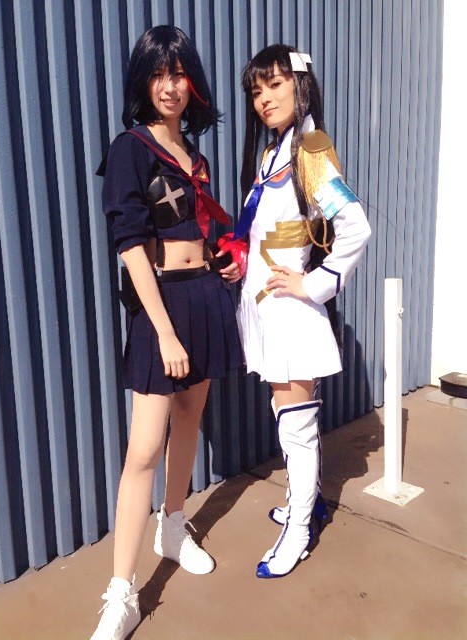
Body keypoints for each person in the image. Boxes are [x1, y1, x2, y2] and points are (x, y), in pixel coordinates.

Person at [92, 25, 243, 639]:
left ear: (192, 82)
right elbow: (130, 244)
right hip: (162, 306)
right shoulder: (130, 148)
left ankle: (173, 527)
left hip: (204, 295)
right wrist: (164, 333)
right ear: (143, 80)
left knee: (189, 418)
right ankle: (121, 592)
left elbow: (201, 229)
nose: (170, 85)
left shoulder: (193, 156)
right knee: (142, 451)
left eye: (178, 73)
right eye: (158, 73)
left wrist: (227, 259)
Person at [235, 44, 371, 579]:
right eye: (256, 90)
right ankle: (304, 501)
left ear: (300, 84)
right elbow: (271, 227)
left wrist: (314, 284)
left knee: (296, 425)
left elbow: (355, 228)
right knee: (287, 414)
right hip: (266, 305)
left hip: (291, 309)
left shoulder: (310, 149)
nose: (264, 99)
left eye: (274, 84)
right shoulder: (276, 150)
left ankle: (298, 531)